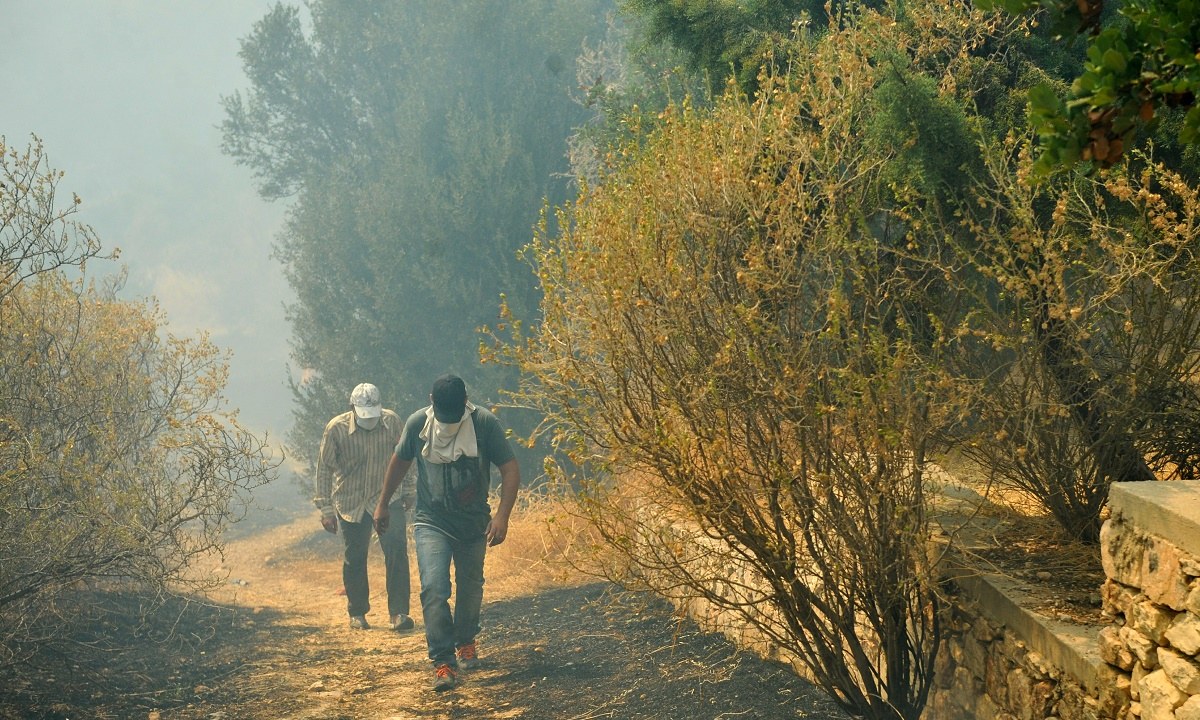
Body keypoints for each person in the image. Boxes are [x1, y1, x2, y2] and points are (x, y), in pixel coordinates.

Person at [373, 373, 520, 692]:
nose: (450, 420)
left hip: (473, 524)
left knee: (470, 587)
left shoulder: (483, 424)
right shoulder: (417, 425)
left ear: (465, 403)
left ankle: (466, 641)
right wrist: (383, 503)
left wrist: (502, 516)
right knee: (434, 588)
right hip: (431, 522)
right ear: (431, 402)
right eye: (445, 415)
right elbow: (399, 462)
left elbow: (509, 468)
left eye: (455, 415)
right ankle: (442, 662)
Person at [313, 382, 414, 632]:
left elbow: (406, 457)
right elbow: (324, 468)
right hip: (351, 501)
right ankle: (357, 612)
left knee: (396, 552)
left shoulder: (392, 422)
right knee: (355, 557)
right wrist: (325, 509)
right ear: (352, 408)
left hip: (387, 498)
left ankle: (399, 613)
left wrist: (409, 490)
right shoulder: (336, 429)